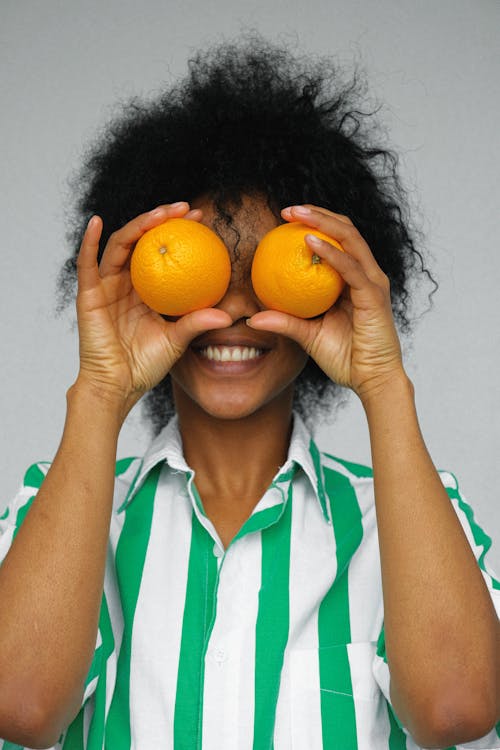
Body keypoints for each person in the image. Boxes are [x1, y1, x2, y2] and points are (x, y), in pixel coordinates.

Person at [0, 36, 498, 750]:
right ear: (143, 287)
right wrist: (102, 389)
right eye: (204, 276)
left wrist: (384, 382)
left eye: (263, 273)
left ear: (330, 292)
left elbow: (456, 711)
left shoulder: (410, 519)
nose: (231, 310)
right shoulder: (59, 513)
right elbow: (17, 706)